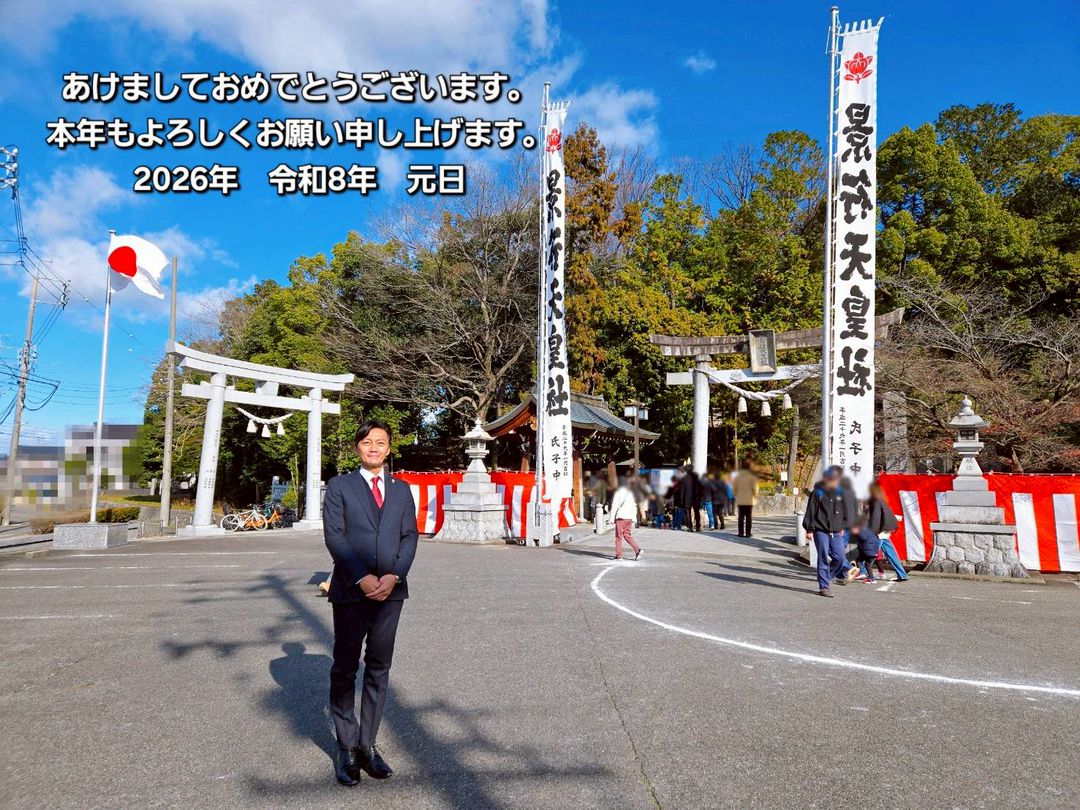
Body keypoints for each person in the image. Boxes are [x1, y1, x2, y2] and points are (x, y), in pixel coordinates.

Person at [323, 419, 419, 787]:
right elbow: (335, 536)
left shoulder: (401, 489)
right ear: (357, 448)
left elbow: (409, 536)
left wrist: (395, 574)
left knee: (379, 666)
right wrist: (361, 576)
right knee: (345, 667)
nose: (374, 448)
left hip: (391, 591)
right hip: (352, 589)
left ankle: (368, 745)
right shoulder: (340, 486)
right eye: (367, 442)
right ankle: (346, 747)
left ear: (389, 448)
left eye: (380, 442)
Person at [802, 466, 857, 596]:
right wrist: (809, 529)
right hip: (820, 530)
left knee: (839, 558)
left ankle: (826, 577)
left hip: (837, 531)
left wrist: (842, 526)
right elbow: (811, 511)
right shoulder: (818, 492)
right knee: (823, 557)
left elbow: (845, 511)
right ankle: (824, 587)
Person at [861, 481, 908, 582]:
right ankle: (902, 574)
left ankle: (862, 573)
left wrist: (872, 532)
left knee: (868, 553)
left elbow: (875, 518)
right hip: (886, 531)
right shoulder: (881, 500)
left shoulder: (874, 502)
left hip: (879, 532)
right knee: (891, 554)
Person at [609, 477, 644, 561]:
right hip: (629, 518)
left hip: (621, 517)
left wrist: (611, 518)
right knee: (627, 535)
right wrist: (634, 518)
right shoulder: (630, 493)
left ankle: (619, 556)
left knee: (618, 537)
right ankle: (637, 550)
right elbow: (634, 506)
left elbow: (614, 505)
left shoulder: (618, 493)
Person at [733, 460, 759, 538]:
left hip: (740, 500)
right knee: (748, 517)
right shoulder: (752, 477)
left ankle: (740, 533)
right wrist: (755, 496)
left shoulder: (737, 477)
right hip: (749, 500)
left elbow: (734, 489)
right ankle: (748, 533)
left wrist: (736, 496)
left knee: (740, 517)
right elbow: (755, 489)